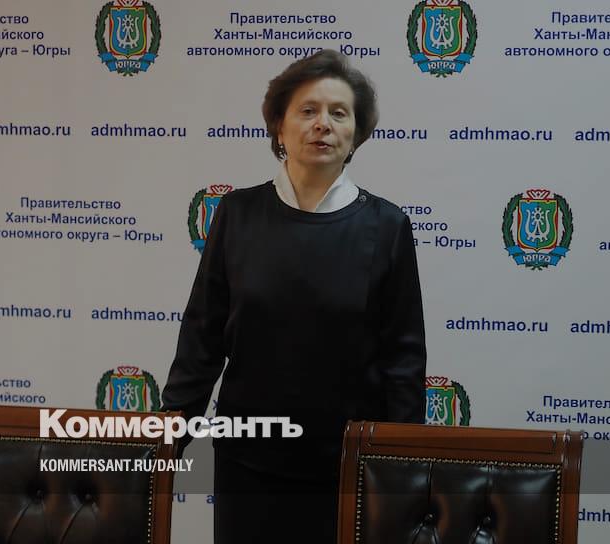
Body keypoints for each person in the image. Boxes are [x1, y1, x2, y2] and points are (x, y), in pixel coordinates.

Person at [161, 49, 426, 543]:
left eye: (338, 113)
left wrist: (404, 461)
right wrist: (169, 437)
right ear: (279, 129)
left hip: (348, 467)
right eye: (308, 110)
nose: (322, 124)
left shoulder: (387, 226)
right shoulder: (237, 214)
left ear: (356, 135)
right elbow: (202, 337)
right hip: (248, 463)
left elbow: (403, 359)